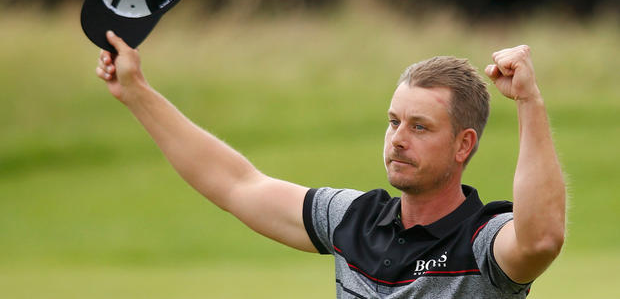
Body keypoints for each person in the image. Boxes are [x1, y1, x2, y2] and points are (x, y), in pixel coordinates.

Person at [96, 30, 565, 298]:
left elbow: (541, 237)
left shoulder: (483, 241)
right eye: (393, 122)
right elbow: (236, 184)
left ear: (464, 145)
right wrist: (137, 93)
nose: (398, 140)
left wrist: (528, 101)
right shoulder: (353, 219)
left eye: (419, 127)